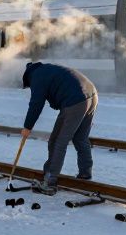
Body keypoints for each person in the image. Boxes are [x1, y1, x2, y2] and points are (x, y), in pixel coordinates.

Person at [20, 62, 98, 195]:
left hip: (75, 101)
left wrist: (27, 126)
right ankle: (85, 174)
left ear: (28, 78)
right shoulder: (48, 70)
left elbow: (36, 104)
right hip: (92, 95)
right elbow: (57, 91)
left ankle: (49, 181)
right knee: (80, 138)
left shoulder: (36, 77)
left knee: (57, 141)